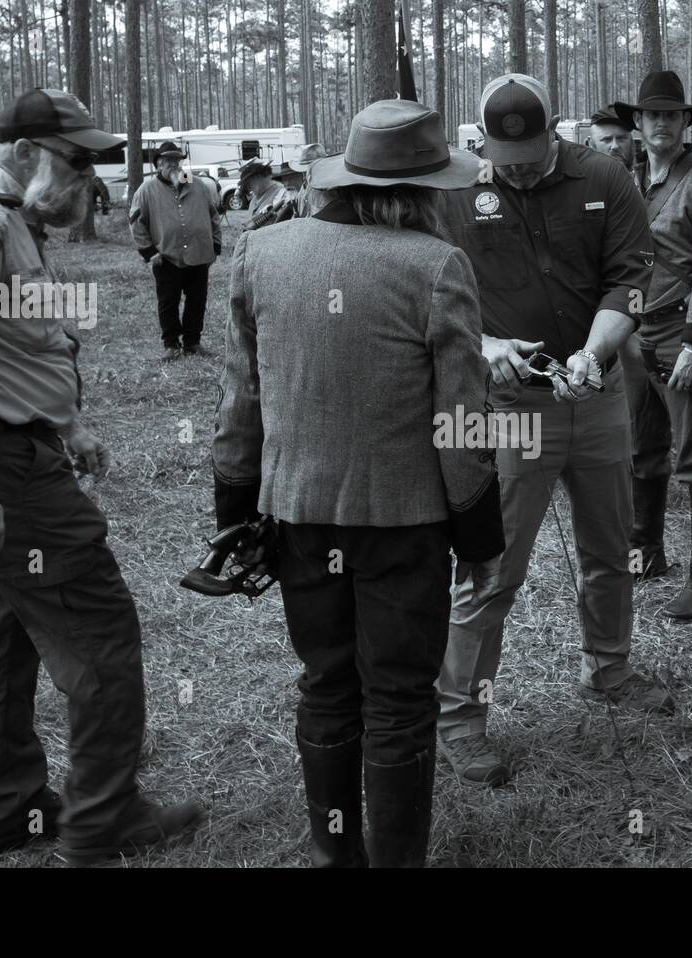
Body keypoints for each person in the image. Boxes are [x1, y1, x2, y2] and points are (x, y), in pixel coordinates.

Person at [0, 88, 203, 866]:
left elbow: (14, 344)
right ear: (27, 150)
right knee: (98, 627)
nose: (88, 176)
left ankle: (9, 810)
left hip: (10, 449)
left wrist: (66, 423)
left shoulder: (14, 224)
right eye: (77, 159)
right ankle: (101, 821)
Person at [212, 99, 504, 867]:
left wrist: (233, 512)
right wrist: (479, 539)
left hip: (297, 517)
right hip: (403, 526)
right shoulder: (435, 266)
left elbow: (238, 403)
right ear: (419, 191)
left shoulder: (261, 255)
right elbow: (463, 426)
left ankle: (337, 857)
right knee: (400, 700)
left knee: (327, 683)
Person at [435, 73, 662, 789]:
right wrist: (485, 346)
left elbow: (629, 279)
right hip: (512, 410)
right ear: (482, 143)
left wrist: (594, 356)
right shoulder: (451, 195)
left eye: (533, 152)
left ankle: (611, 669)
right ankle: (459, 719)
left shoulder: (605, 176)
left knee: (609, 546)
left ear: (554, 131)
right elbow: (428, 295)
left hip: (594, 401)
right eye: (508, 158)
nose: (523, 167)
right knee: (492, 567)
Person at [613, 71, 692, 620]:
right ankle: (647, 555)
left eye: (671, 114)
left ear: (686, 123)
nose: (661, 123)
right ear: (637, 125)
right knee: (642, 450)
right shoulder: (631, 183)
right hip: (634, 337)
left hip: (682, 334)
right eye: (651, 115)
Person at [129, 140, 221, 361]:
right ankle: (171, 345)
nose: (174, 165)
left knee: (197, 300)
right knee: (168, 301)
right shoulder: (146, 189)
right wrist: (150, 253)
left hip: (199, 254)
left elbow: (213, 216)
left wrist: (215, 246)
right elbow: (135, 222)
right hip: (166, 257)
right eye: (168, 161)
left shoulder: (197, 184)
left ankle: (192, 342)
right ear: (158, 165)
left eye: (177, 160)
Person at [236, 159, 289, 232]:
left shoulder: (281, 194)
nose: (248, 186)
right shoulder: (255, 197)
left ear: (258, 176)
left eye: (249, 181)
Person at [588, 105, 635, 173]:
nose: (615, 146)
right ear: (591, 144)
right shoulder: (582, 182)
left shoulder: (643, 180)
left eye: (621, 138)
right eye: (607, 139)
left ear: (631, 141)